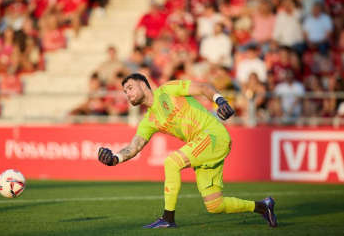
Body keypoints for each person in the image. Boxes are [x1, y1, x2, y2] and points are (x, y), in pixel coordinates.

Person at [97, 73, 278, 228]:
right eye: (125, 92)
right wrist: (115, 159)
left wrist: (220, 100)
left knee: (171, 162)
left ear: (143, 85)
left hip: (213, 135)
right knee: (215, 205)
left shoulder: (167, 90)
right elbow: (134, 146)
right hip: (202, 146)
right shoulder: (148, 120)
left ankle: (167, 218)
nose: (127, 94)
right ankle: (263, 207)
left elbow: (202, 87)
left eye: (129, 88)